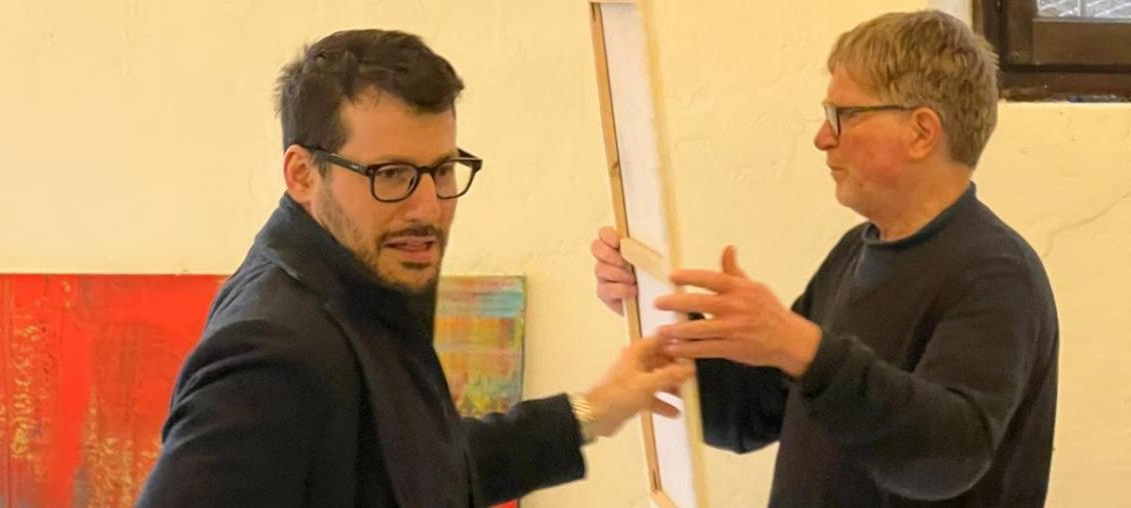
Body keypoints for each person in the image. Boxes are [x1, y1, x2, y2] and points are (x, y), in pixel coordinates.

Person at [137, 29, 693, 507]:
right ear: (302, 174)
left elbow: (415, 470)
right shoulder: (275, 350)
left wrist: (593, 410)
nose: (428, 208)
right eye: (391, 175)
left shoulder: (359, 282)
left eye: (442, 170)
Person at [591, 10, 1058, 507]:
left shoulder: (996, 274)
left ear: (922, 132)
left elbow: (947, 457)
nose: (823, 137)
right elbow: (751, 413)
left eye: (844, 115)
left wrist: (802, 348)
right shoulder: (855, 251)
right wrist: (659, 312)